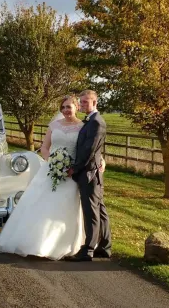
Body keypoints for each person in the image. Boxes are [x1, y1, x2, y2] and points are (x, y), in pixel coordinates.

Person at [0, 95, 103, 260]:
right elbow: (45, 147)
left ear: (76, 107)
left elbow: (91, 147)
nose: (65, 110)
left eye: (68, 107)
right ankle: (34, 243)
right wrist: (54, 163)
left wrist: (97, 162)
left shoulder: (82, 127)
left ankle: (61, 245)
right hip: (51, 170)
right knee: (39, 203)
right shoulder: (54, 125)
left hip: (72, 173)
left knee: (65, 206)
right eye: (62, 107)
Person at [66, 90, 112, 262]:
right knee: (100, 210)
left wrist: (75, 169)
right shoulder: (92, 121)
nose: (82, 104)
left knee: (90, 212)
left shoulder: (96, 123)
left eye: (86, 102)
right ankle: (105, 247)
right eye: (81, 102)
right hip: (93, 171)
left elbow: (88, 150)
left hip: (90, 173)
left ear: (95, 102)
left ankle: (88, 250)